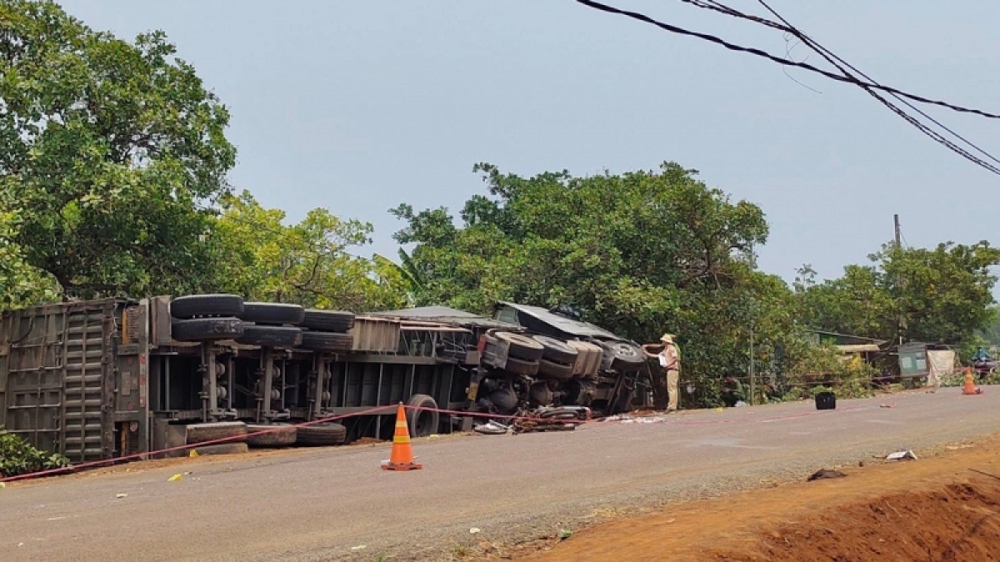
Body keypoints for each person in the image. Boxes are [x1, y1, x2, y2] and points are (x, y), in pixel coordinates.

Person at [644, 334, 680, 412]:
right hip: (670, 369)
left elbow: (676, 358)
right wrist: (646, 353)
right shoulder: (666, 349)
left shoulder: (671, 348)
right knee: (671, 388)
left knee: (672, 388)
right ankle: (672, 405)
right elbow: (657, 356)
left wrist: (668, 365)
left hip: (672, 369)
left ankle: (672, 406)